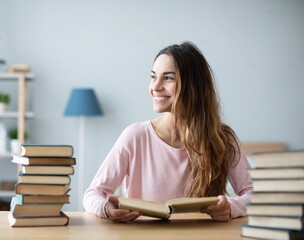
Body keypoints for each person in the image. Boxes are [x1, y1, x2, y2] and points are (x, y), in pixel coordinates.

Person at [83, 41, 253, 223]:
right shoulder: (135, 136)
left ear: (193, 85)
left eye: (168, 78)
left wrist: (231, 207)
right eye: (153, 76)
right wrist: (106, 209)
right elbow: (93, 194)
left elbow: (255, 194)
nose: (155, 87)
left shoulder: (222, 139)